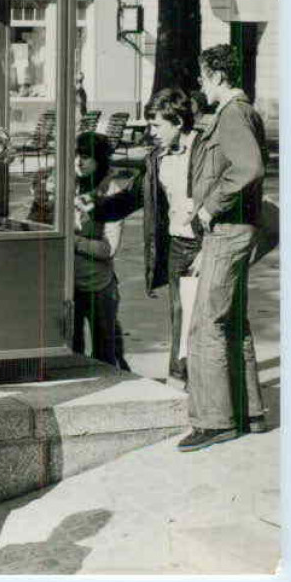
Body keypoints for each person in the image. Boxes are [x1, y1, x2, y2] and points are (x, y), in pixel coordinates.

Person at [178, 43, 268, 452]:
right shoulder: (241, 112)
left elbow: (248, 167)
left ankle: (215, 421)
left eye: (202, 76)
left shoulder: (232, 114)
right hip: (240, 228)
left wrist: (209, 208)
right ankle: (249, 411)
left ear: (216, 75)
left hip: (228, 229)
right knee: (232, 321)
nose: (200, 83)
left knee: (206, 325)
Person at [95, 89, 204, 386]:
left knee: (205, 320)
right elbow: (133, 196)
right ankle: (181, 379)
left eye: (156, 125)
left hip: (206, 245)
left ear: (178, 121)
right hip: (178, 245)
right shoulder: (158, 158)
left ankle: (197, 383)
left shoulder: (204, 150)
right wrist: (93, 208)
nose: (150, 132)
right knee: (180, 315)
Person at [72, 131, 129, 369]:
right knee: (71, 352)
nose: (78, 161)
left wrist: (75, 242)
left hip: (99, 286)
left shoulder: (112, 192)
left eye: (86, 157)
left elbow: (109, 248)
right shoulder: (68, 186)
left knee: (104, 355)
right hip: (68, 285)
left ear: (100, 160)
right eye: (76, 155)